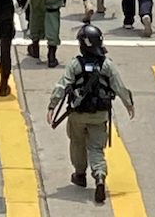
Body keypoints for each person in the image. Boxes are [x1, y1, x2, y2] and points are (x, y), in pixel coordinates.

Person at [48, 25, 134, 204]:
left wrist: (52, 106)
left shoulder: (74, 64)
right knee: (96, 148)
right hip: (100, 115)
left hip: (77, 115)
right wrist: (129, 104)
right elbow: (119, 86)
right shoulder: (107, 65)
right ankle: (100, 175)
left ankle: (80, 174)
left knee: (77, 143)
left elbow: (62, 86)